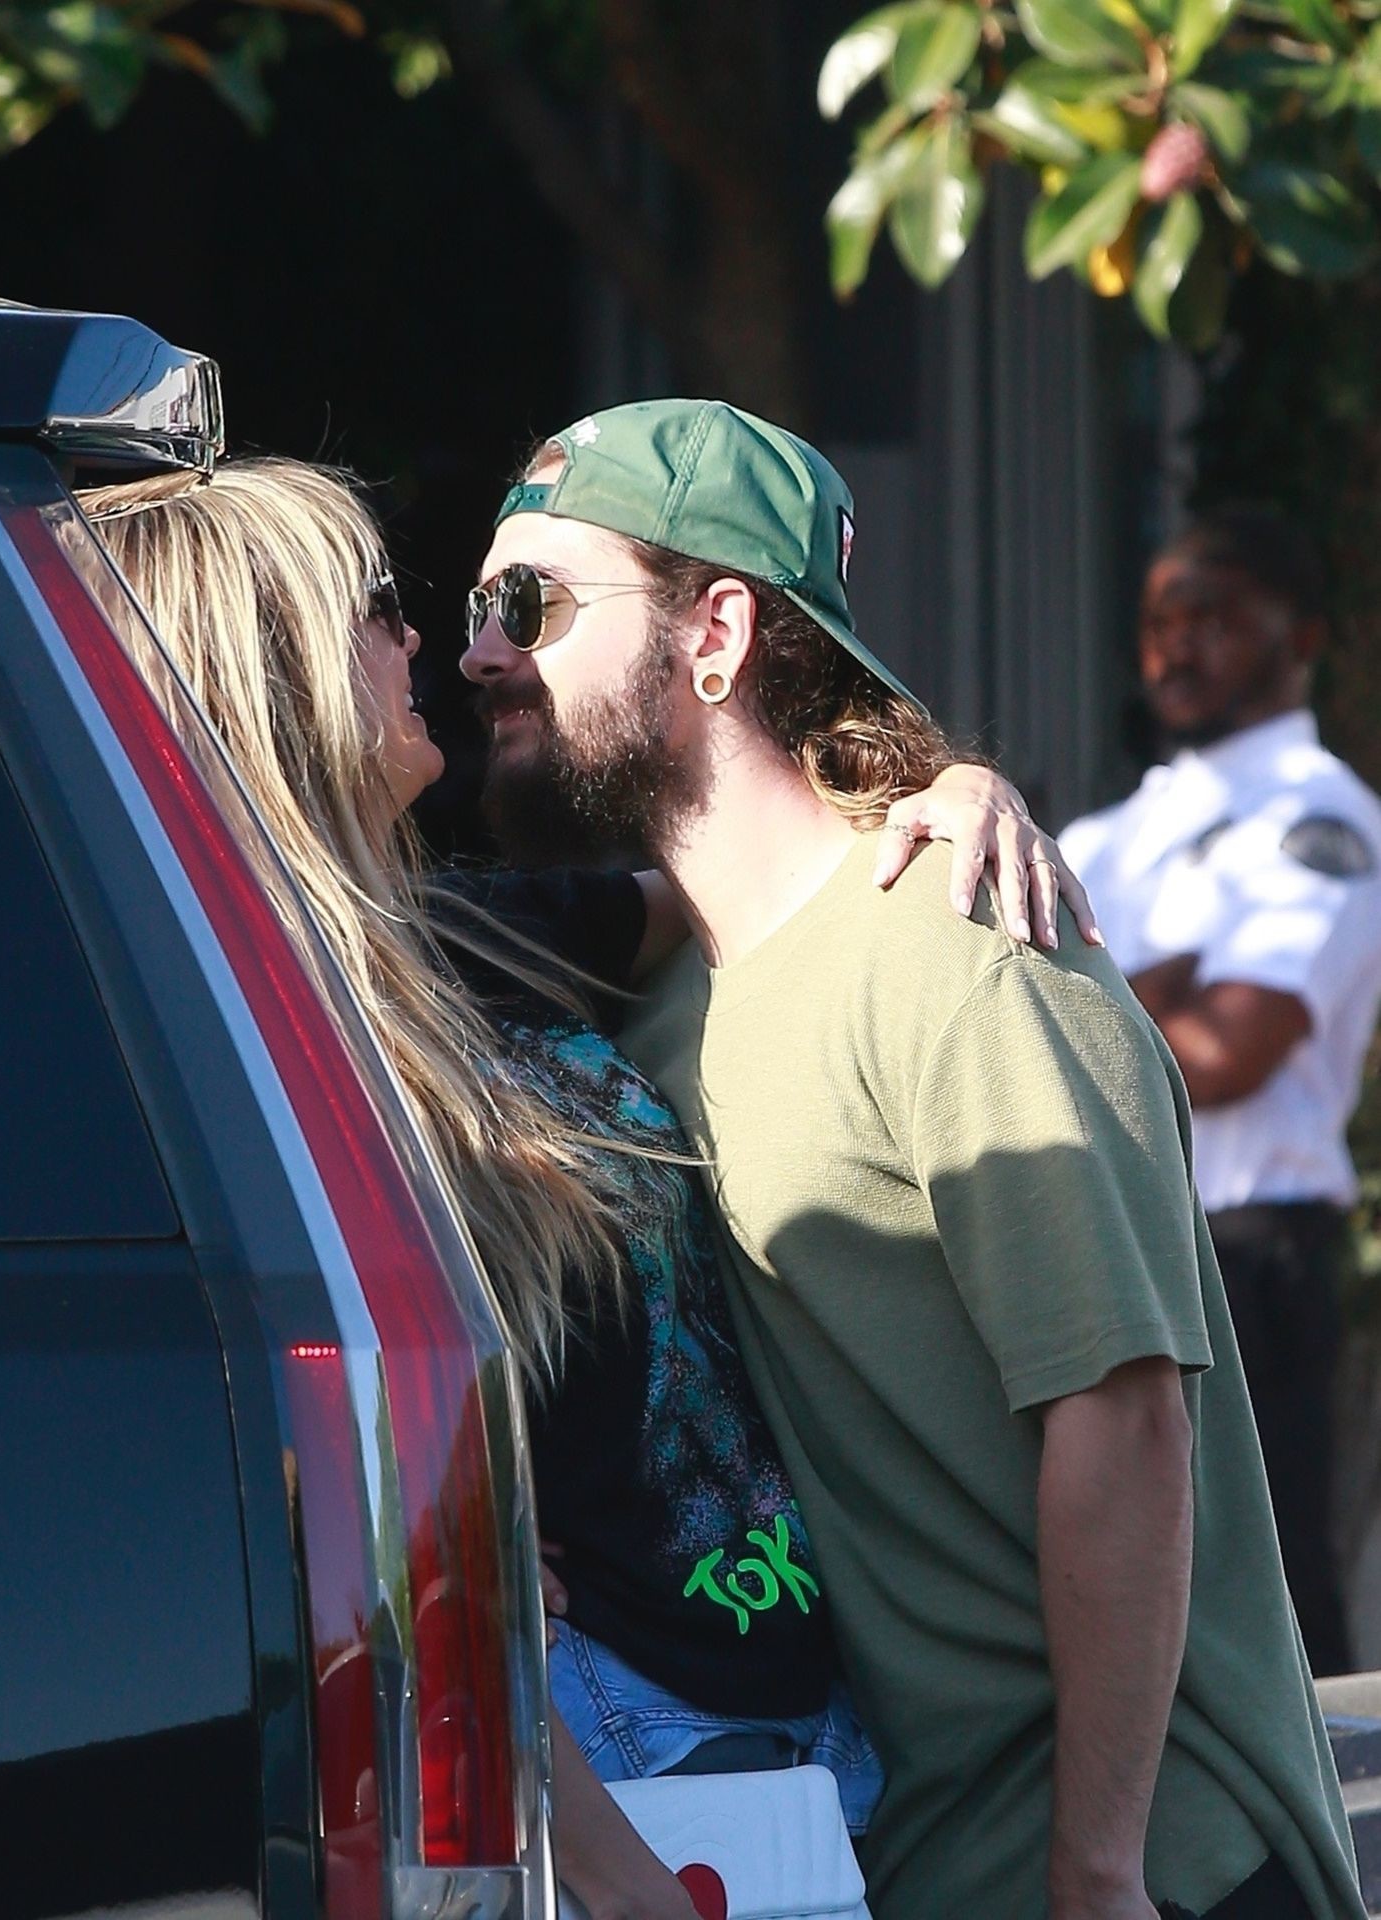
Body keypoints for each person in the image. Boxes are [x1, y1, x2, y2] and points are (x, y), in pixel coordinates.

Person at [74, 455, 1072, 1920]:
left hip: (791, 1699)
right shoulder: (241, 1038)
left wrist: (948, 793)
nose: (427, 640)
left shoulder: (453, 931)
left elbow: (758, 881)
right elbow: (356, 1529)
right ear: (267, 668)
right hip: (620, 1747)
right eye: (375, 606)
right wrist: (618, 1872)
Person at [460, 401, 1367, 1920]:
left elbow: (1122, 1419)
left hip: (1151, 1870)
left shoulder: (964, 952)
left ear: (715, 633)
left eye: (530, 601)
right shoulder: (652, 1005)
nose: (484, 652)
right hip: (900, 1858)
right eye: (477, 610)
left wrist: (1096, 1872)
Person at [1059, 509, 1381, 1680]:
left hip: (1243, 1253)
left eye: (1214, 619)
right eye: (1159, 621)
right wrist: (1158, 990)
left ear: (1300, 638)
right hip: (1104, 1238)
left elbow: (1226, 1054)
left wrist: (1090, 997)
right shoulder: (1110, 827)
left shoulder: (1316, 818)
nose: (1175, 647)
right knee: (1116, 1597)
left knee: (1269, 1604)